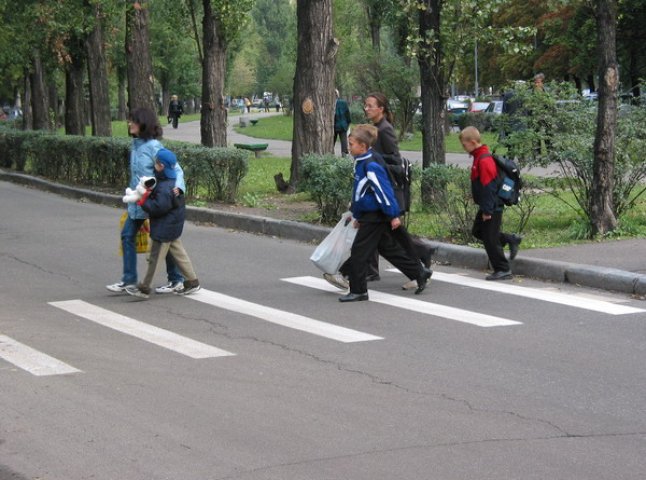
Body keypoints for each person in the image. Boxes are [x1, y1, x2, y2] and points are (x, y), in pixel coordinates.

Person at [338, 124, 431, 302]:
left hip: (375, 214)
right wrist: (357, 215)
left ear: (363, 146)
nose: (348, 147)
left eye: (351, 144)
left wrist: (392, 215)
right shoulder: (364, 160)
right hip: (372, 213)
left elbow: (383, 191)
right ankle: (419, 272)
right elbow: (361, 192)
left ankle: (359, 291)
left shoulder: (370, 164)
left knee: (359, 251)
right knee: (387, 247)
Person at [107, 107, 186, 294]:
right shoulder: (135, 145)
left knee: (163, 240)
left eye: (133, 120)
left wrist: (180, 188)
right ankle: (129, 280)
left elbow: (177, 169)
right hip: (138, 202)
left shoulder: (154, 147)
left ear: (143, 123)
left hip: (156, 203)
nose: (129, 124)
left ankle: (177, 280)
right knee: (127, 235)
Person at [125, 149, 201, 299]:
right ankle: (192, 282)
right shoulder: (172, 183)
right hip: (172, 226)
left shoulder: (165, 188)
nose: (154, 165)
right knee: (180, 255)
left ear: (161, 166)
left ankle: (144, 288)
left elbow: (158, 208)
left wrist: (143, 201)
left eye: (156, 163)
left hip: (163, 229)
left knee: (154, 258)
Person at [459, 126, 522, 281]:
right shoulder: (479, 156)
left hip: (493, 205)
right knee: (478, 231)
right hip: (488, 205)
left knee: (490, 238)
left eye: (464, 144)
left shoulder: (484, 160)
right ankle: (509, 239)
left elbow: (489, 187)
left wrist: (487, 211)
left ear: (472, 142)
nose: (463, 148)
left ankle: (503, 269)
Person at [333, 89, 352, 157]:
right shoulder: (343, 102)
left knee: (334, 142)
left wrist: (348, 123)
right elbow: (348, 114)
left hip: (336, 125)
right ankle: (343, 158)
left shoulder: (341, 103)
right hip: (341, 125)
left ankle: (330, 156)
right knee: (342, 141)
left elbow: (347, 114)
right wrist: (348, 123)